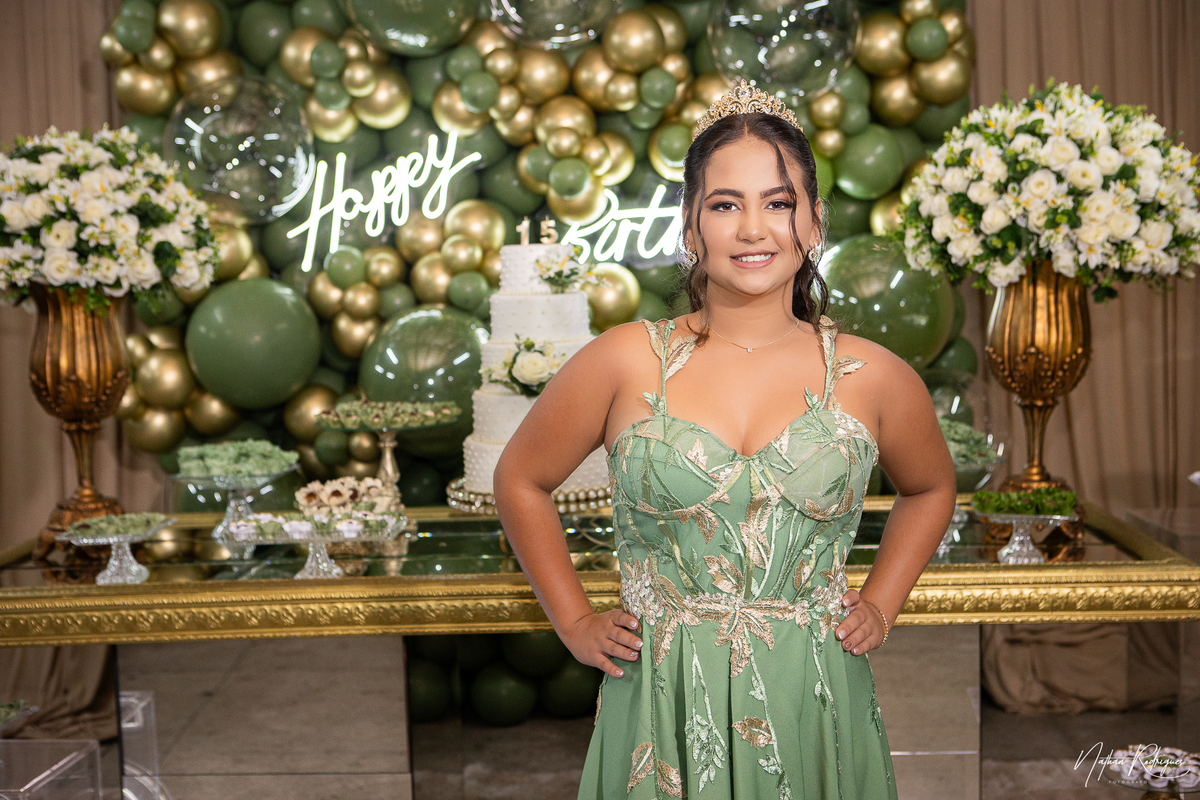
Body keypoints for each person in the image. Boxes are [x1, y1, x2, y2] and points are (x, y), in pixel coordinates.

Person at [494, 81, 957, 799]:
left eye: (778, 203)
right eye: (725, 205)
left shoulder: (876, 377)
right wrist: (575, 621)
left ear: (814, 222)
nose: (753, 230)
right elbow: (519, 478)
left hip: (812, 693)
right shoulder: (623, 360)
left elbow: (931, 487)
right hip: (662, 696)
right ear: (690, 226)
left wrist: (881, 604)